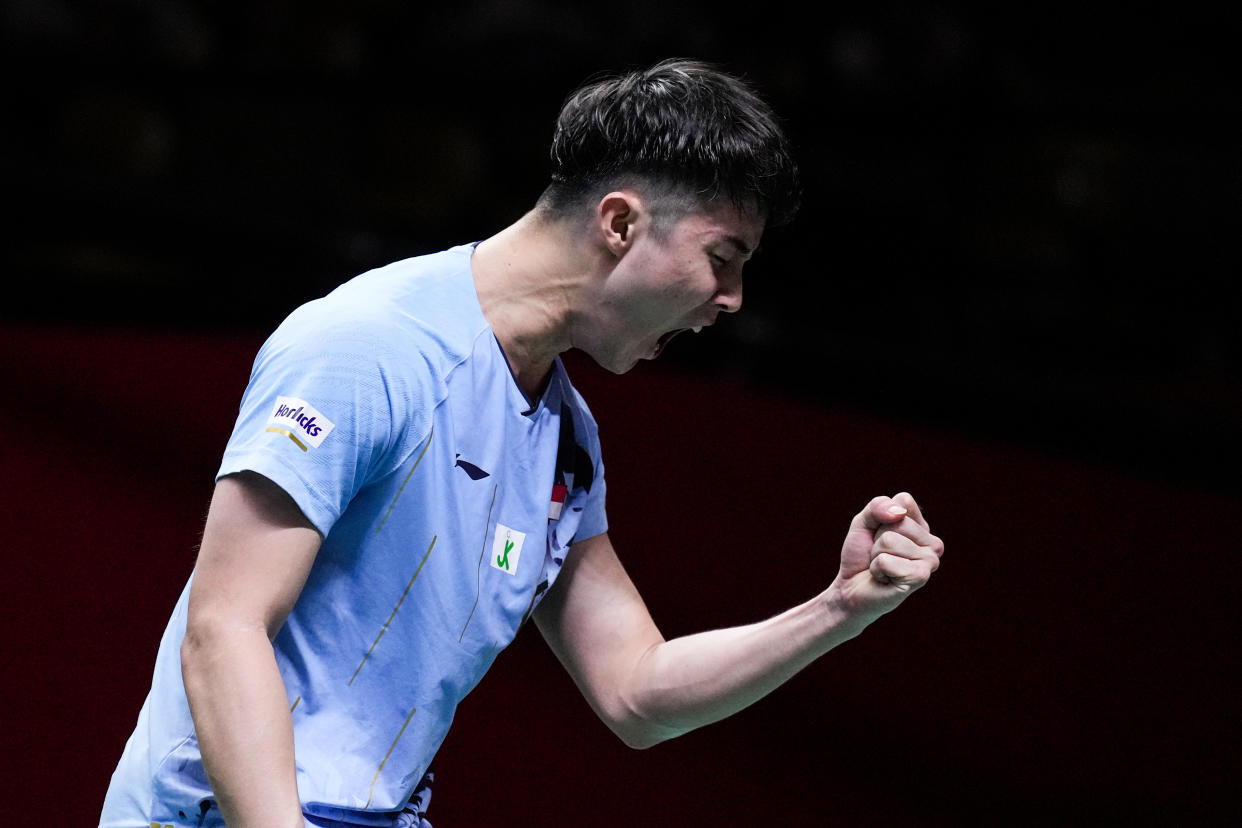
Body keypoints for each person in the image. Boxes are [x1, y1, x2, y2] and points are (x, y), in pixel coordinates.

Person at [101, 58, 944, 828]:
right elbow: (225, 624)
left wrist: (839, 609)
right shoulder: (369, 345)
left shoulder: (566, 442)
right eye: (722, 257)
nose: (731, 300)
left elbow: (636, 691)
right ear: (620, 222)